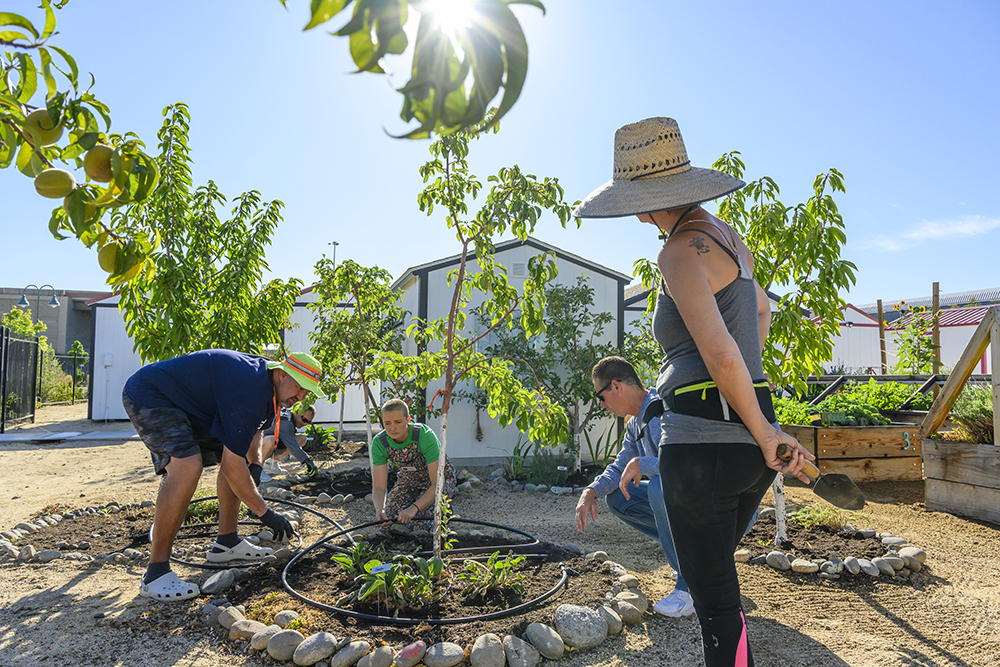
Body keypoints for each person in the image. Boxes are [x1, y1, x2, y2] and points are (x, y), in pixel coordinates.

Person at [574, 117, 812, 667]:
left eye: (639, 201)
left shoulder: (679, 251)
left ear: (655, 198)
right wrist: (762, 425)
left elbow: (721, 354)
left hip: (703, 441)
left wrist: (760, 428)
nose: (637, 215)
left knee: (715, 605)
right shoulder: (730, 239)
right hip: (745, 433)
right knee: (719, 587)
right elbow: (757, 317)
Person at [123, 349, 325, 601]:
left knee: (234, 456)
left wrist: (257, 466)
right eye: (300, 387)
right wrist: (266, 513)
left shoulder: (269, 388)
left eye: (307, 392)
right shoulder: (251, 388)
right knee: (188, 466)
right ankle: (155, 574)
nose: (301, 397)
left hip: (190, 407)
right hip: (152, 394)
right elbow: (232, 466)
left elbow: (254, 432)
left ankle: (226, 543)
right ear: (283, 375)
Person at [577, 356, 694, 617]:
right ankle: (688, 558)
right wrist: (592, 490)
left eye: (601, 396)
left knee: (659, 488)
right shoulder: (634, 424)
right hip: (686, 504)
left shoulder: (664, 408)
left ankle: (690, 586)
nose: (603, 405)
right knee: (619, 496)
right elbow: (620, 467)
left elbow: (685, 465)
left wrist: (642, 463)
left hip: (710, 503)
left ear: (616, 386)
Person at [371, 398, 457, 533]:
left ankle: (444, 508)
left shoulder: (424, 436)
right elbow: (379, 486)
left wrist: (414, 508)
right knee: (390, 519)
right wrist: (379, 509)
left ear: (408, 419)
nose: (392, 428)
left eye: (398, 422)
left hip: (438, 481)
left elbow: (436, 484)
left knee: (422, 524)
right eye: (387, 423)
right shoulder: (380, 443)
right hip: (409, 480)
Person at [260, 405, 319, 479]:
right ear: (297, 412)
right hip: (253, 446)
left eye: (308, 422)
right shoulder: (286, 421)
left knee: (301, 439)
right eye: (304, 419)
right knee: (271, 440)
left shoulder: (290, 414)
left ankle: (271, 464)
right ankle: (256, 468)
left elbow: (292, 441)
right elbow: (293, 445)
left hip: (265, 441)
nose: (305, 424)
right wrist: (308, 461)